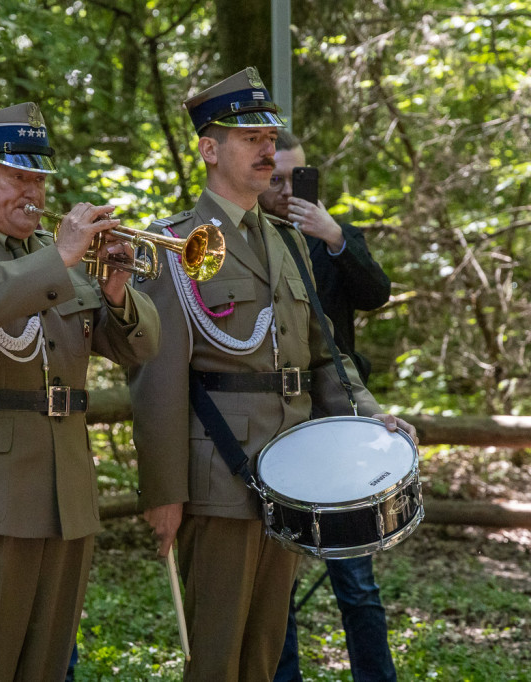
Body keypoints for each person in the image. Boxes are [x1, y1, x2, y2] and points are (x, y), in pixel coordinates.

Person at [129, 67, 416, 681]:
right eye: (250, 138)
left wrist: (369, 419)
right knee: (216, 655)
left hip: (292, 471)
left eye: (269, 136)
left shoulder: (287, 241)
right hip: (217, 477)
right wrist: (164, 492)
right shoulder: (174, 245)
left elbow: (322, 355)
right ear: (210, 150)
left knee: (263, 652)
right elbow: (156, 381)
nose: (267, 148)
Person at [0, 101, 159, 681]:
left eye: (39, 176)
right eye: (18, 175)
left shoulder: (51, 257)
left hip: (64, 492)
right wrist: (58, 256)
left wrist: (117, 291)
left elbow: (139, 350)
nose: (33, 190)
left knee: (46, 668)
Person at [258, 131, 397, 682]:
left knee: (355, 580)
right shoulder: (250, 242)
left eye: (299, 178)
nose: (289, 189)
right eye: (277, 179)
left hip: (342, 419)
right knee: (280, 578)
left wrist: (336, 237)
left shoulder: (331, 234)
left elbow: (376, 292)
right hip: (283, 419)